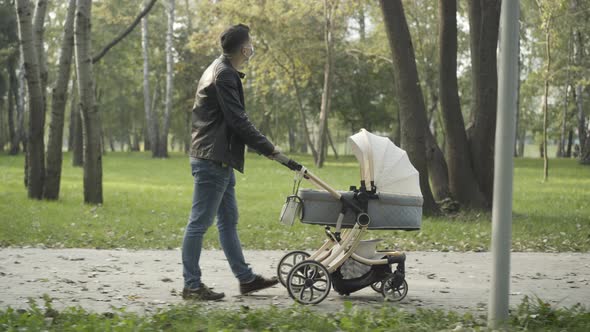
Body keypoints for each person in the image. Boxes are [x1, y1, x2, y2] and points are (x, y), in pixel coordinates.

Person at [182, 24, 279, 301]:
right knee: (199, 223)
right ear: (243, 48)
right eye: (251, 43)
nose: (253, 47)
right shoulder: (224, 74)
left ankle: (246, 279)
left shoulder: (220, 68)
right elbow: (238, 120)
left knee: (227, 221)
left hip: (218, 159)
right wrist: (268, 148)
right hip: (213, 159)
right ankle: (191, 285)